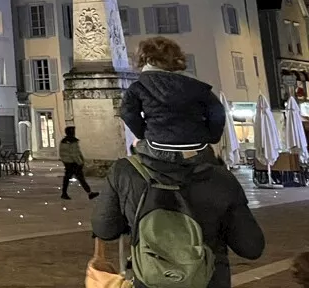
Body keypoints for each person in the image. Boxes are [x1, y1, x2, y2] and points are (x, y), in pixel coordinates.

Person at [92, 142, 264, 288]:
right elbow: (251, 247)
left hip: (149, 280)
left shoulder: (125, 171)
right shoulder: (219, 177)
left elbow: (105, 229)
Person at [121, 36, 226, 151]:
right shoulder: (196, 85)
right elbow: (217, 112)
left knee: (129, 160)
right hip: (196, 146)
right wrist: (211, 136)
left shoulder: (138, 87)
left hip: (157, 146)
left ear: (145, 59)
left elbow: (127, 113)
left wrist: (144, 133)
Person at [58, 126, 99, 200]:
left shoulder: (63, 141)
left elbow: (62, 153)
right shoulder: (72, 142)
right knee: (80, 178)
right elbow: (75, 154)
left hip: (67, 163)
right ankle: (89, 193)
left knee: (67, 178)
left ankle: (64, 193)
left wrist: (65, 161)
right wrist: (80, 162)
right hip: (74, 164)